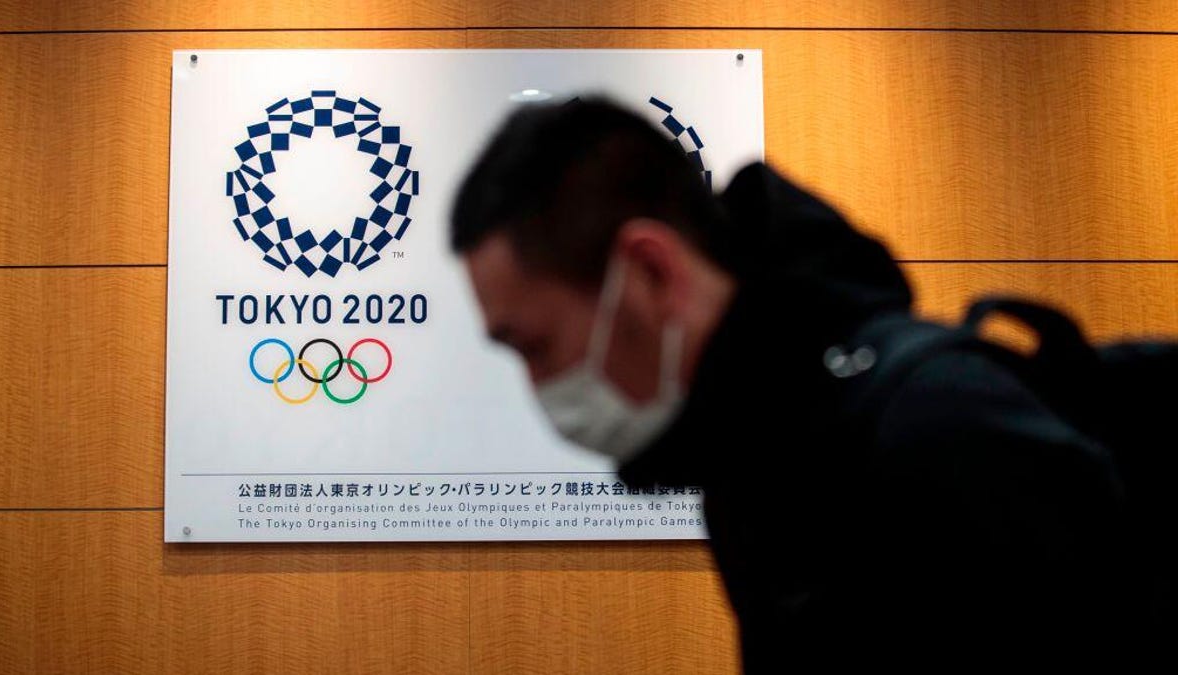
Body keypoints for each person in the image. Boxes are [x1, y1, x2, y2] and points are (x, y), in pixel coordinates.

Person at [450, 98, 1134, 669]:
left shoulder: (937, 429)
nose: (538, 386)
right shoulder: (751, 453)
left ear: (654, 272)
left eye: (536, 346)